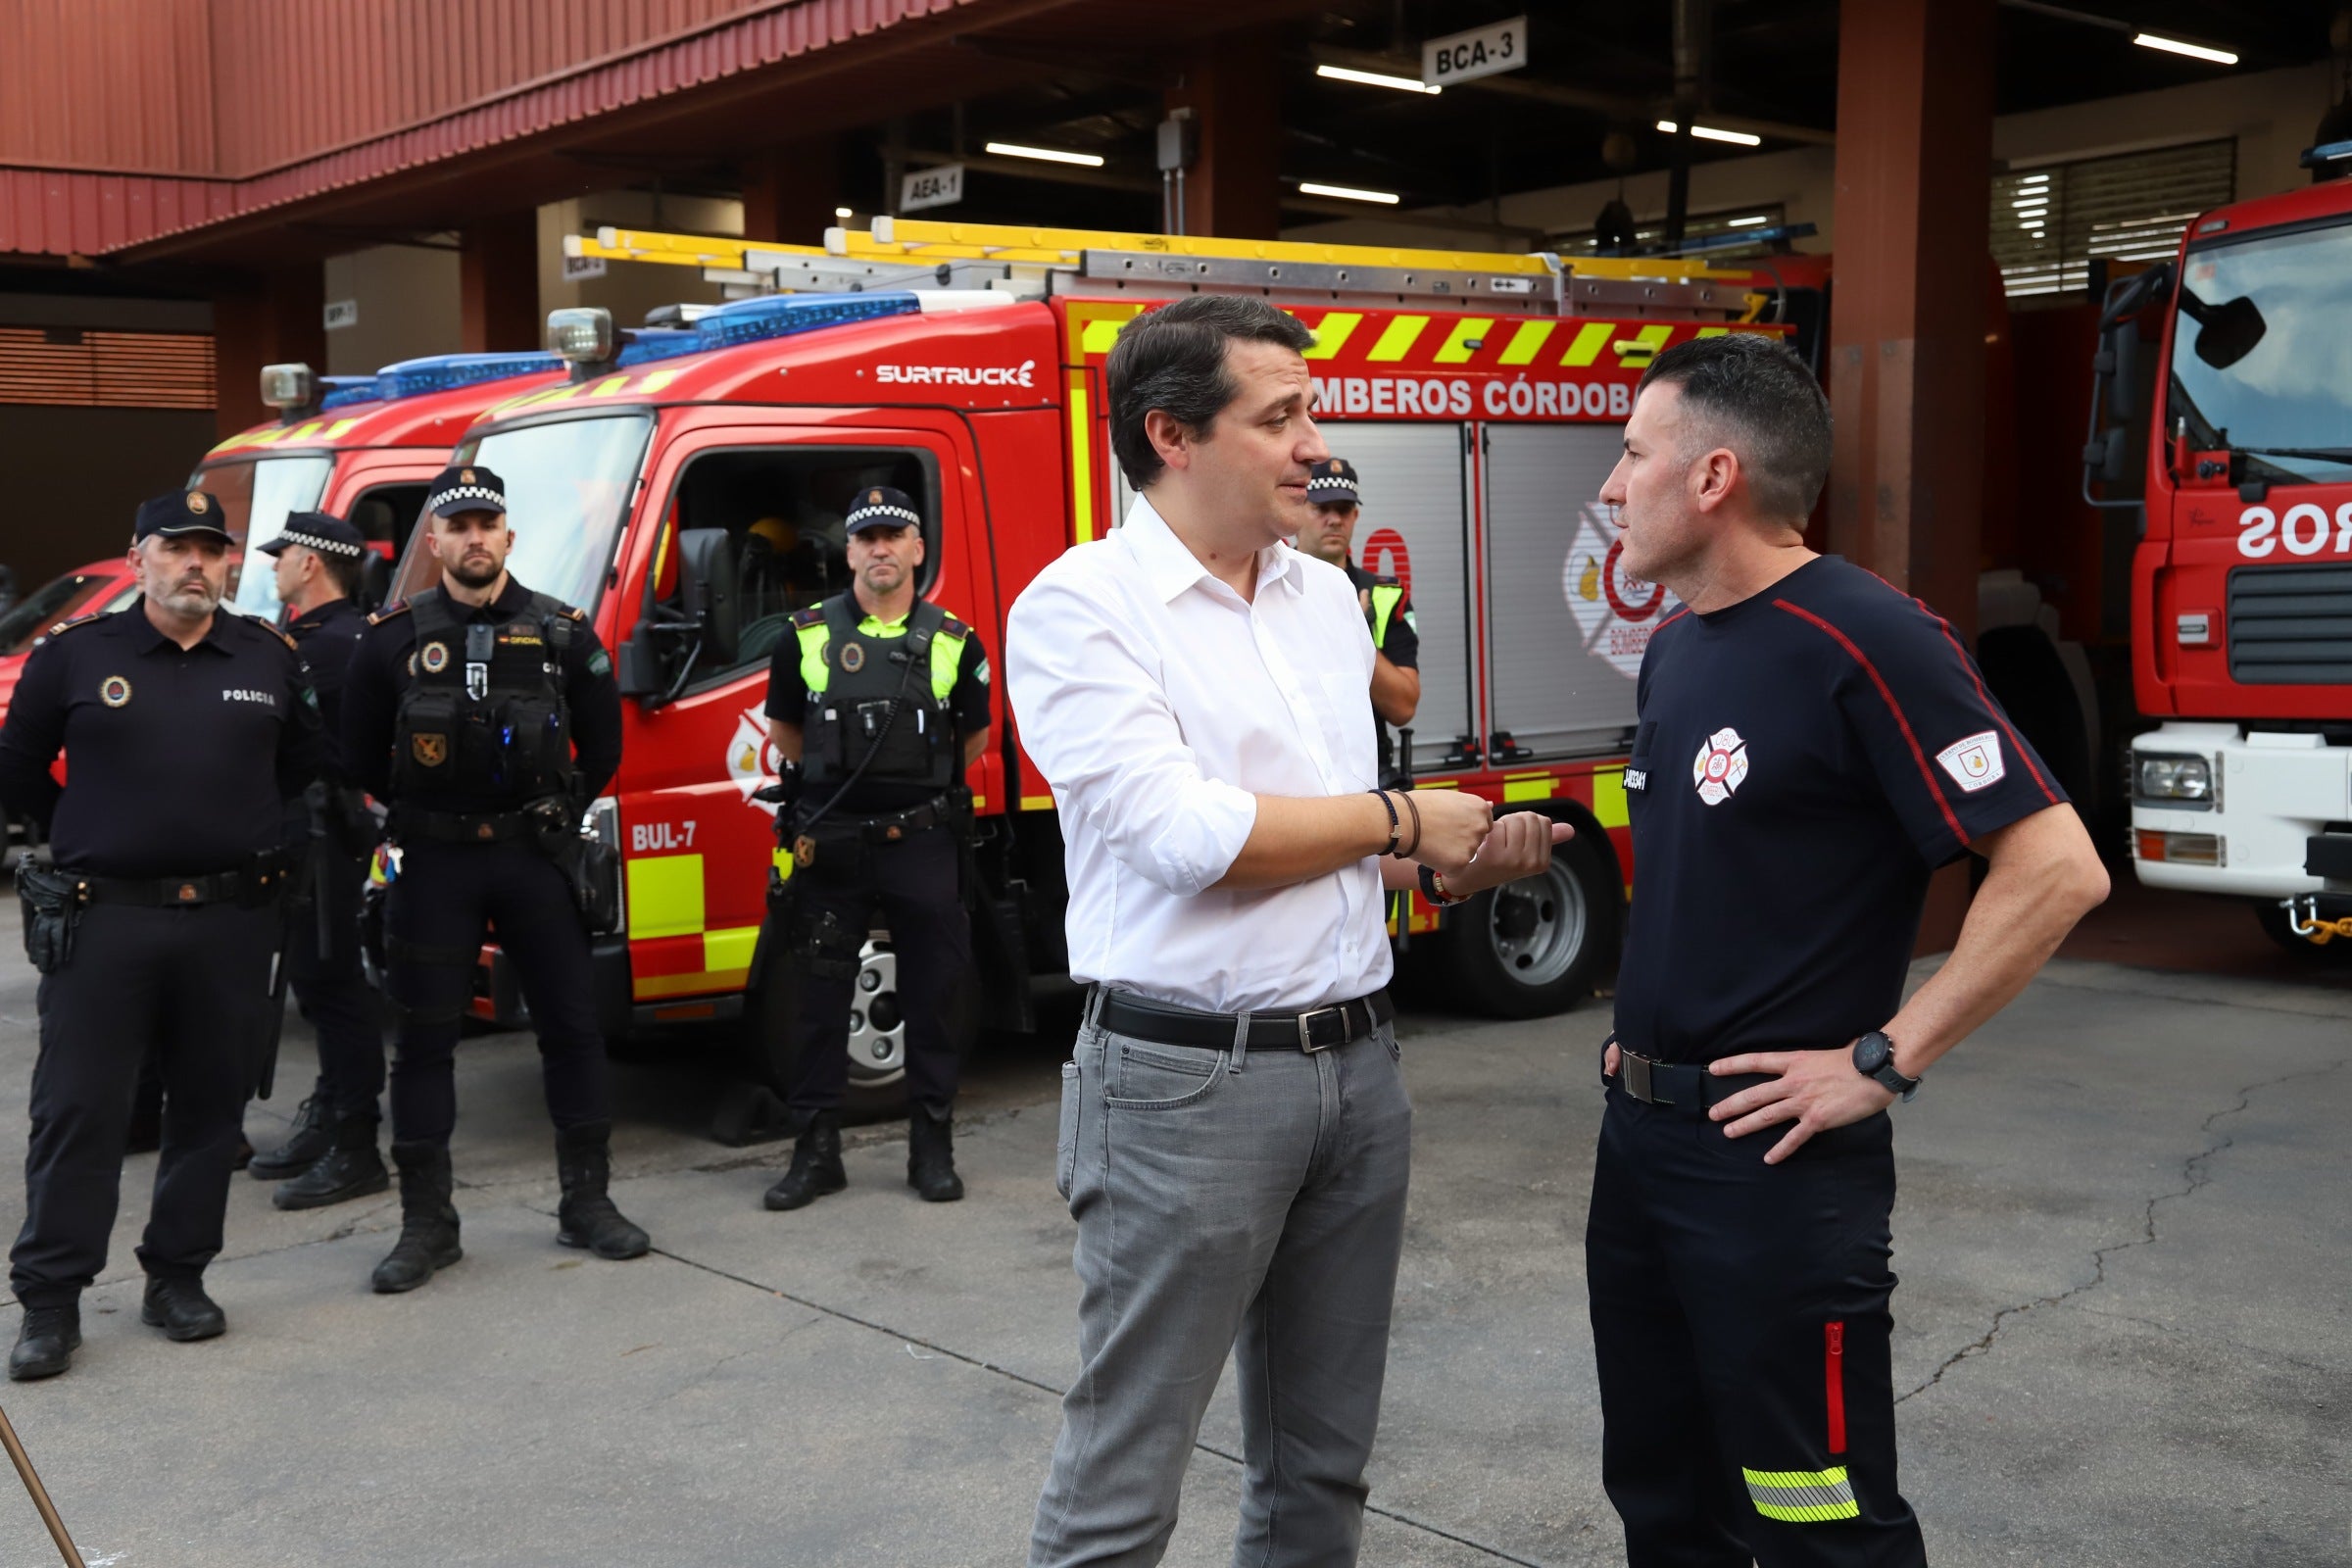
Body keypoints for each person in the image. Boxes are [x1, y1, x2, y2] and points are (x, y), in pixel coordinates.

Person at [1005, 295, 1566, 1567]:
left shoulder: (1324, 600)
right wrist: (1399, 817)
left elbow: (1334, 833)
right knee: (1124, 1483)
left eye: (1309, 409)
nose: (1317, 444)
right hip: (1185, 1087)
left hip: (1360, 1070)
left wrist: (1442, 863)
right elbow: (1183, 836)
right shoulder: (1082, 606)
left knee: (1321, 1471)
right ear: (1172, 435)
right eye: (1281, 417)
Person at [1585, 333, 2109, 1564]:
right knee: (1663, 1496)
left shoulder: (1868, 636)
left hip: (1772, 1169)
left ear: (1714, 477)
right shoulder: (1677, 648)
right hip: (1644, 1147)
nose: (1611, 487)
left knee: (1814, 1517)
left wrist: (1884, 1058)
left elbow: (2057, 868)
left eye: (1632, 454)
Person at [0, 489, 322, 1379]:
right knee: (79, 1110)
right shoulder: (76, 655)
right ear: (137, 557)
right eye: (176, 547)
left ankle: (178, 1277)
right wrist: (88, 831)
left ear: (228, 563)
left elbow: (300, 766)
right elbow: (17, 766)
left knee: (211, 1110)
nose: (194, 563)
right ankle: (51, 1300)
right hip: (105, 919)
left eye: (210, 550)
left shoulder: (266, 656)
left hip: (228, 921)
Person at [342, 465, 648, 1294]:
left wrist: (557, 814)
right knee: (424, 1044)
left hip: (532, 860)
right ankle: (426, 1225)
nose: (474, 538)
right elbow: (358, 753)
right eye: (458, 525)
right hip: (433, 863)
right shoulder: (390, 638)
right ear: (434, 540)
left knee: (572, 1031)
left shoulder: (563, 633)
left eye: (487, 524)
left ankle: (588, 1203)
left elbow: (605, 745)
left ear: (509, 536)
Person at [759, 485, 992, 1210]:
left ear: (918, 549)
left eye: (893, 536)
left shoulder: (956, 641)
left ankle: (932, 1149)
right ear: (849, 552)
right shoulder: (803, 636)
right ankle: (815, 1154)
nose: (880, 548)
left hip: (921, 842)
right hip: (831, 845)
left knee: (935, 995)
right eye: (866, 537)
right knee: (818, 1000)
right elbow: (787, 734)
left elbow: (973, 738)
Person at [245, 512, 389, 1209]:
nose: (274, 566)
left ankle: (354, 1139)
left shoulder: (323, 645)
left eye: (283, 555)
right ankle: (332, 1113)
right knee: (320, 981)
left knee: (331, 985)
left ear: (311, 563)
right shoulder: (334, 636)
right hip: (314, 830)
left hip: (321, 834)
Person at [1295, 456, 1420, 783]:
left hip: (1367, 780)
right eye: (1321, 508)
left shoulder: (1384, 594)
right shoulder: (1261, 585)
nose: (1335, 520)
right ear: (1297, 510)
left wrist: (1353, 633)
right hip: (1292, 777)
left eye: (1344, 509)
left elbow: (1403, 708)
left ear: (1355, 516)